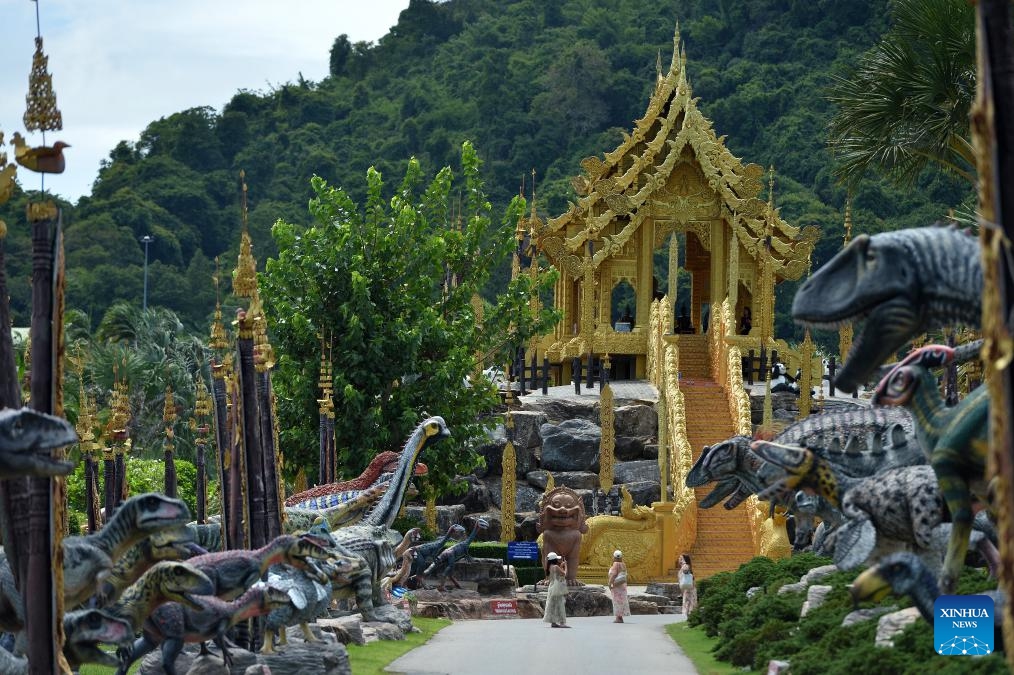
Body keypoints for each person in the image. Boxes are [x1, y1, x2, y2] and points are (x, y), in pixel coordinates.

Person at [543, 552, 570, 628]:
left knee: (552, 605)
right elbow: (564, 574)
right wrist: (565, 566)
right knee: (560, 604)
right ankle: (562, 622)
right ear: (554, 560)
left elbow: (556, 574)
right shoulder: (556, 567)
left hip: (551, 587)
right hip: (557, 588)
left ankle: (553, 622)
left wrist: (561, 566)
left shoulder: (549, 567)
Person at [608, 549, 631, 623]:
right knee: (622, 601)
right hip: (622, 586)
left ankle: (618, 618)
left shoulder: (615, 564)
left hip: (616, 586)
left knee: (617, 601)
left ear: (614, 557)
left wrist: (610, 583)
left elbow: (614, 574)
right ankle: (620, 617)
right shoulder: (623, 564)